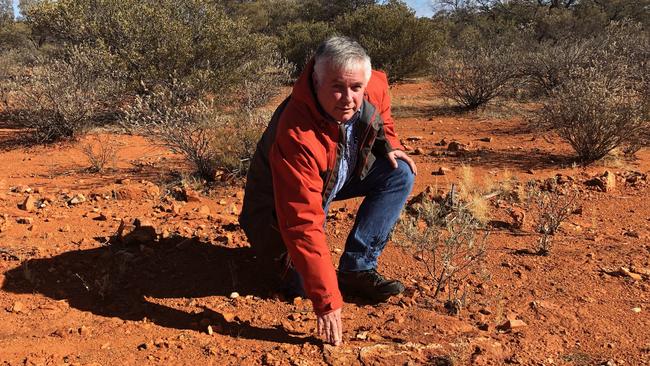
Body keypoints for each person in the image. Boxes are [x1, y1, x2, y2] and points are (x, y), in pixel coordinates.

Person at [239, 36, 416, 346]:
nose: (347, 98)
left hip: (334, 177)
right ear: (315, 80)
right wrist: (327, 301)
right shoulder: (296, 132)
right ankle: (296, 269)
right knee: (303, 287)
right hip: (276, 210)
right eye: (336, 87)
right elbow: (302, 219)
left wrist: (391, 144)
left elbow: (381, 114)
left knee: (399, 173)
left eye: (355, 88)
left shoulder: (370, 83)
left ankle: (357, 267)